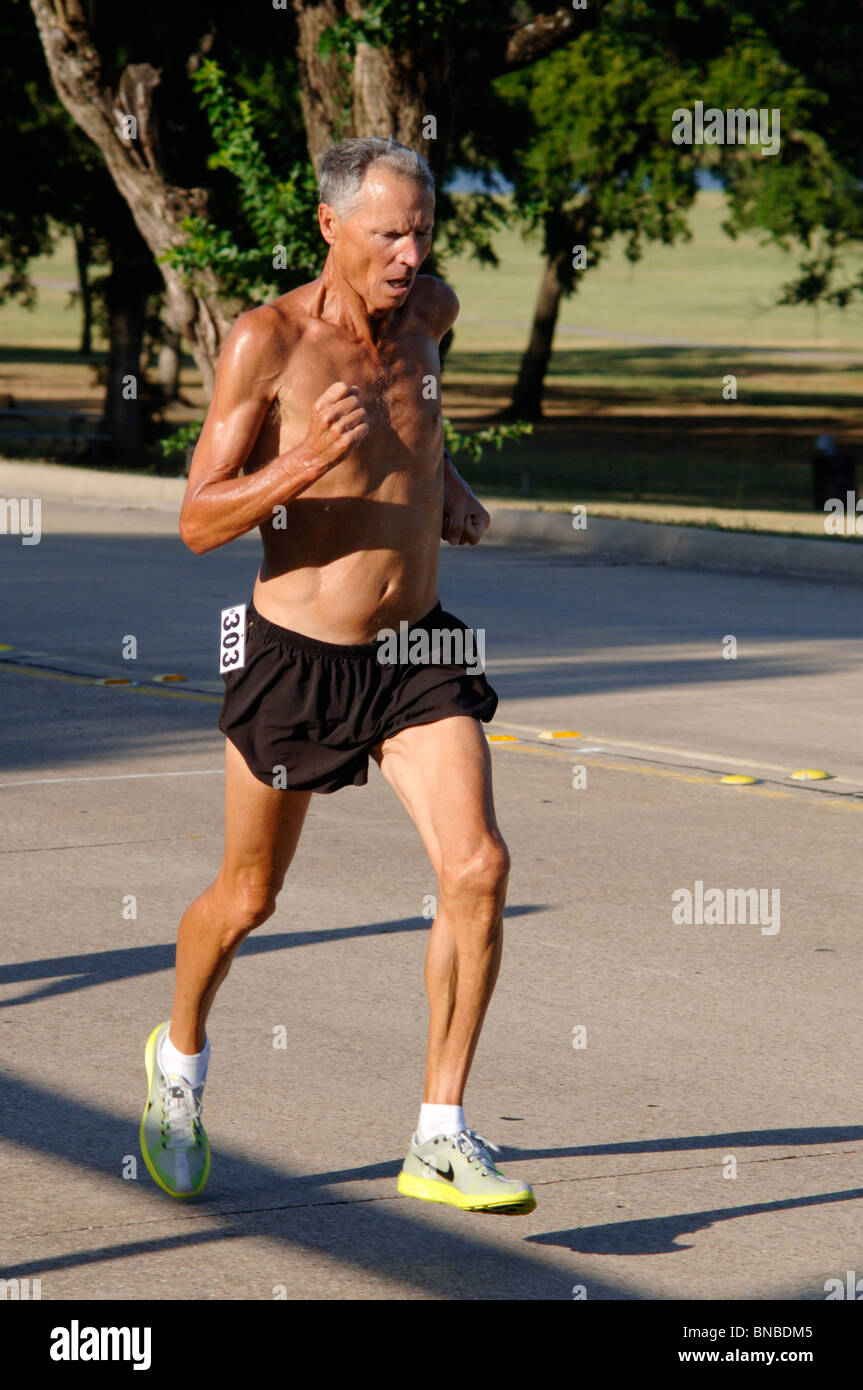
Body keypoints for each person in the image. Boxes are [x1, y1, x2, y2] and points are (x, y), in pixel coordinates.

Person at [139, 136, 535, 1214]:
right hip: (295, 659)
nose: (410, 255)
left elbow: (422, 408)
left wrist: (441, 477)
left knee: (478, 866)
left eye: (421, 232)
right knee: (249, 896)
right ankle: (177, 1065)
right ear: (331, 228)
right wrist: (301, 463)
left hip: (417, 645)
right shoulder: (265, 343)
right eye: (388, 234)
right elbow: (197, 522)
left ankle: (439, 1133)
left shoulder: (432, 313)